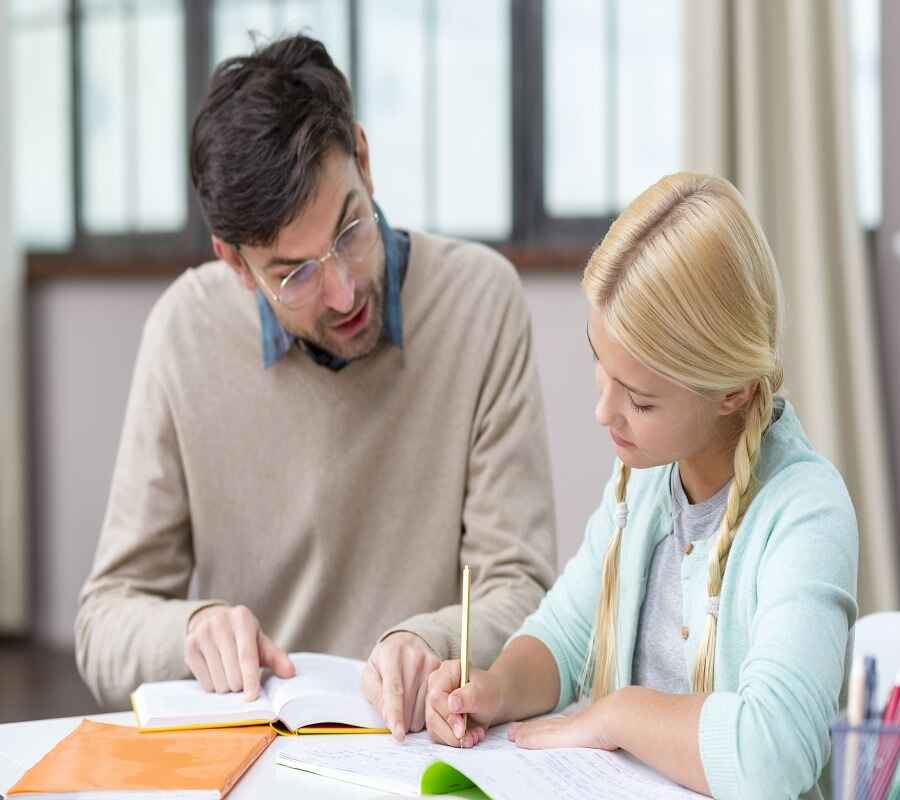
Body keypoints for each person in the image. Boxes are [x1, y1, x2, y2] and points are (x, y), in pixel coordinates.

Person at [75, 33, 557, 741]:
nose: (340, 291)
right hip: (254, 753)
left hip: (421, 745)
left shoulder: (481, 302)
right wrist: (193, 629)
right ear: (237, 267)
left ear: (363, 159)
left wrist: (429, 641)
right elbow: (105, 618)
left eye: (349, 228)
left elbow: (523, 591)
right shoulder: (186, 329)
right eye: (292, 273)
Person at [424, 172, 858, 800]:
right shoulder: (642, 483)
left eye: (641, 400)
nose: (604, 412)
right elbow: (565, 636)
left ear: (732, 390)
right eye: (599, 360)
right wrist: (494, 688)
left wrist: (618, 714)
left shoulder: (806, 514)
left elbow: (773, 755)